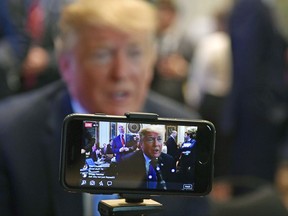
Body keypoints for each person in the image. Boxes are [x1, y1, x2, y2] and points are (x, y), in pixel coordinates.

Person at [0, 0, 209, 216]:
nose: (120, 72)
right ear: (65, 64)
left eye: (135, 53)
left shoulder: (185, 127)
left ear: (151, 62)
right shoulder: (10, 135)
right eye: (102, 54)